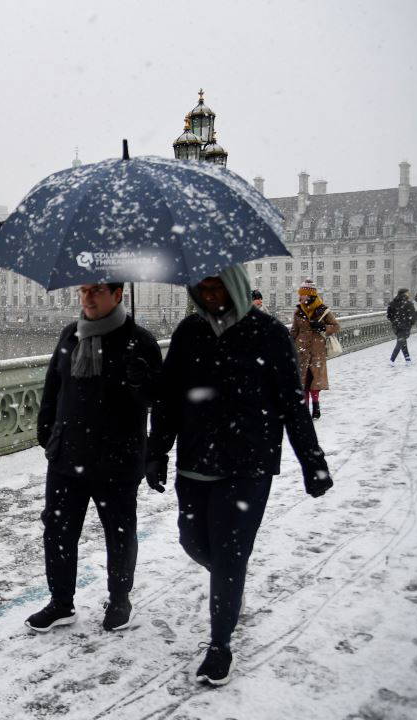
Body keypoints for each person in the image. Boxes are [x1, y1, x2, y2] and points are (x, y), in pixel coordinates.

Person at [148, 266, 333, 687]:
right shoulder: (188, 333)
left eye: (218, 286)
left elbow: (291, 403)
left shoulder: (268, 333)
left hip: (248, 463)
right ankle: (229, 583)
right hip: (195, 460)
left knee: (230, 554)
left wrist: (313, 461)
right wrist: (155, 451)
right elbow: (168, 398)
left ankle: (220, 643)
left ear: (234, 285)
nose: (211, 295)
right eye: (203, 287)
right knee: (193, 542)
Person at [27, 282, 163, 634]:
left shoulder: (140, 342)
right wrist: (47, 432)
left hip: (116, 459)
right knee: (57, 529)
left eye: (97, 291)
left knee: (119, 532)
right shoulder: (71, 334)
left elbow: (158, 399)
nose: (87, 298)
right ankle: (61, 602)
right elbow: (53, 387)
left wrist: (140, 382)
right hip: (67, 455)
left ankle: (120, 598)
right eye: (84, 290)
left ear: (118, 295)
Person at [290, 278, 339, 419]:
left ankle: (316, 406)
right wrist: (288, 345)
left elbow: (336, 326)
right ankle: (305, 410)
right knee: (303, 382)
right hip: (301, 351)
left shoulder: (323, 310)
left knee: (315, 381)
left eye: (302, 294)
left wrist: (323, 327)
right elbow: (294, 331)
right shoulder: (298, 311)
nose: (300, 297)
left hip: (317, 351)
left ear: (310, 294)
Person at [385, 288, 415, 365]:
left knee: (402, 342)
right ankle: (392, 360)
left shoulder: (392, 303)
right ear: (404, 294)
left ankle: (408, 359)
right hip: (405, 326)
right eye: (408, 293)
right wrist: (410, 323)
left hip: (396, 326)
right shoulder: (408, 303)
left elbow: (389, 315)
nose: (409, 294)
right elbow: (412, 316)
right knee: (400, 343)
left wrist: (394, 321)